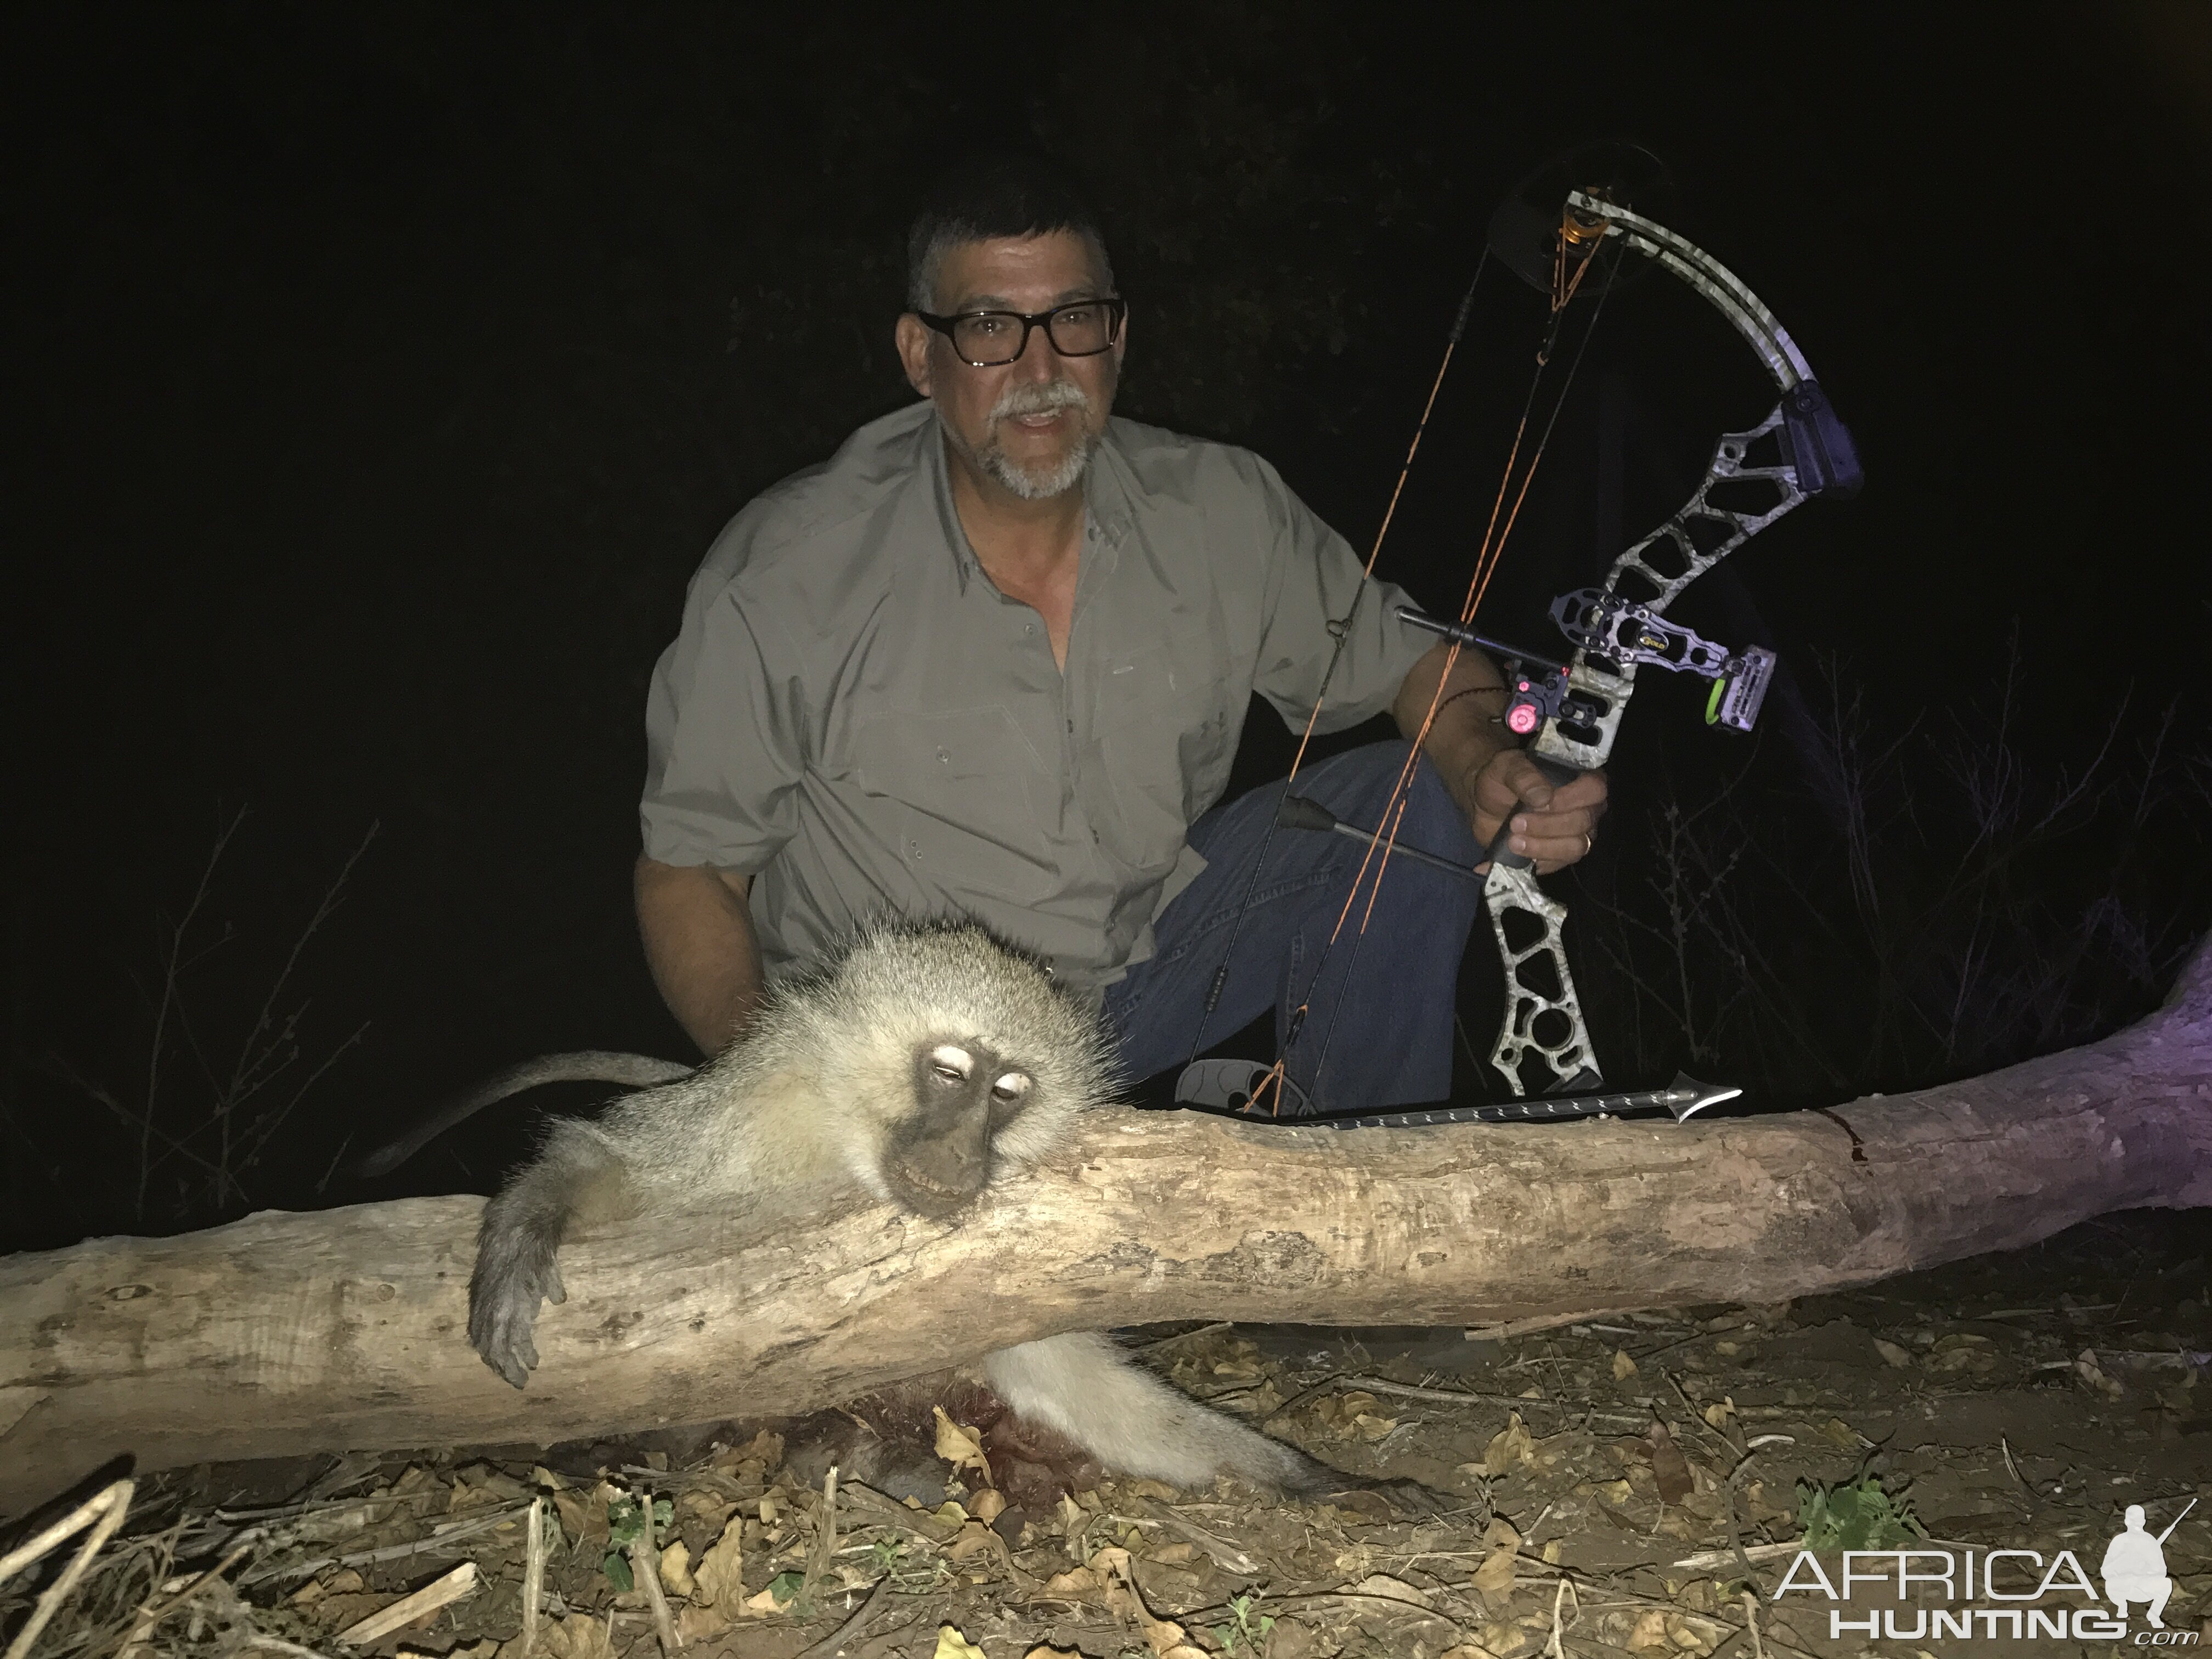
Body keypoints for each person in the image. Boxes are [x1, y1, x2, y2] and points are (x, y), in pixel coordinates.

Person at [635, 154, 1606, 1113]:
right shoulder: (787, 570)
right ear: (918, 356)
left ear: (1117, 333)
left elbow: (1415, 664)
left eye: (1073, 320)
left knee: (1413, 801)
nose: (1041, 368)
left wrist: (1486, 760)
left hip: (1128, 987)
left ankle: (1368, 1201)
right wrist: (788, 1094)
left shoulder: (1221, 511)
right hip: (898, 1053)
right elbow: (689, 872)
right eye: (987, 329)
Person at [2101, 1505, 2172, 1628]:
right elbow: (2105, 1571)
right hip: (2121, 1587)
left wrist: (2146, 1571)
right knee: (2110, 1583)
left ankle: (2154, 1614)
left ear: (2143, 1522)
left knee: (2166, 1583)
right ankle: (2122, 1606)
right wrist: (2123, 1569)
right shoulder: (2119, 1541)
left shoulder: (2150, 1541)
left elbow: (2161, 1571)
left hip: (2142, 1588)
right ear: (2126, 1522)